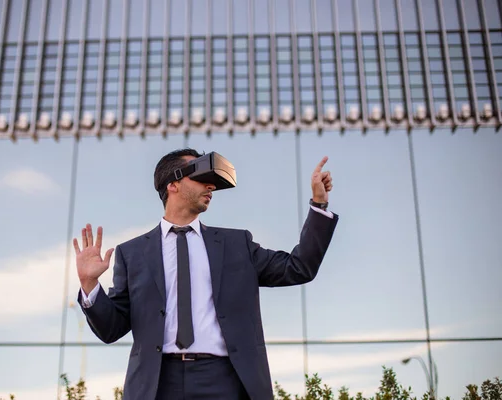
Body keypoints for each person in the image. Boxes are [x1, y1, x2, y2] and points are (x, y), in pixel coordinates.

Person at [73, 149, 338, 400]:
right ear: (172, 184)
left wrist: (319, 205)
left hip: (226, 379)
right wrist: (89, 284)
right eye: (201, 178)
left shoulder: (237, 245)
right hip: (157, 384)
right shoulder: (132, 254)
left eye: (213, 182)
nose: (210, 187)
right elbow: (111, 329)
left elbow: (299, 267)